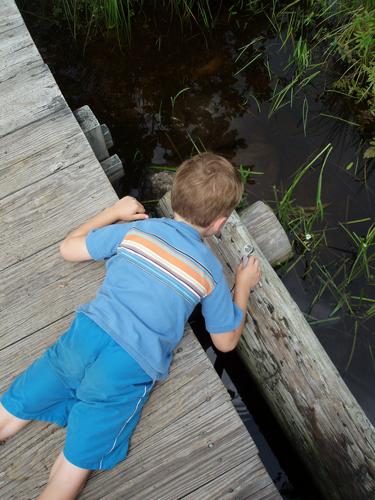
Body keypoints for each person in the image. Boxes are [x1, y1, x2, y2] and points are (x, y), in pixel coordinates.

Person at [0, 152, 261, 499]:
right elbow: (225, 342)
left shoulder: (137, 231)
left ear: (175, 198)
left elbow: (68, 248)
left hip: (84, 340)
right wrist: (242, 285)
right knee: (72, 467)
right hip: (126, 368)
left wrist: (114, 212)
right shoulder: (209, 271)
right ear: (219, 223)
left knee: (11, 410)